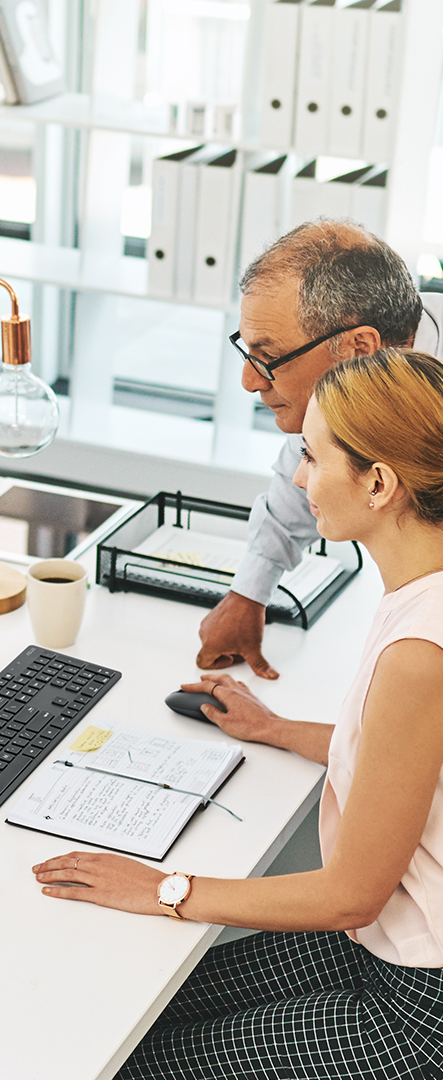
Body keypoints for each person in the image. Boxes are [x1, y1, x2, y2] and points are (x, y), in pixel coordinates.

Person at [34, 347, 443, 1077]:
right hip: (386, 944)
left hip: (416, 1010)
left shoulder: (421, 651)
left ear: (379, 483)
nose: (299, 478)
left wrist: (161, 887)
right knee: (137, 1010)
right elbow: (405, 759)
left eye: (313, 459)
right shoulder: (420, 589)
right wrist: (276, 729)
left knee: (134, 1063)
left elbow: (350, 894)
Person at [196, 220, 429, 680]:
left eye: (269, 357)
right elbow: (302, 470)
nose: (249, 381)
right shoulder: (349, 387)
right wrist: (249, 593)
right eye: (248, 353)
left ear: (359, 348)